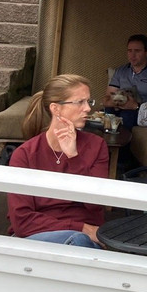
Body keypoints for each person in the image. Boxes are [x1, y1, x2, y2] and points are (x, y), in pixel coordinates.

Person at [8, 74, 108, 248]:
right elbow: (22, 221)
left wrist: (74, 157)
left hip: (87, 242)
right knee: (77, 240)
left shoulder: (96, 146)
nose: (87, 109)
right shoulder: (24, 155)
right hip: (39, 236)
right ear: (56, 109)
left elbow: (95, 204)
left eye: (88, 102)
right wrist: (80, 228)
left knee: (79, 243)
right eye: (80, 102)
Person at [104, 34, 147, 129]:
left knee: (126, 116)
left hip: (140, 112)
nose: (132, 55)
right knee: (105, 115)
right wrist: (117, 103)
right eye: (130, 51)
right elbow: (107, 98)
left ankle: (122, 138)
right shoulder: (121, 71)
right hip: (118, 106)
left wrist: (136, 105)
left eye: (137, 51)